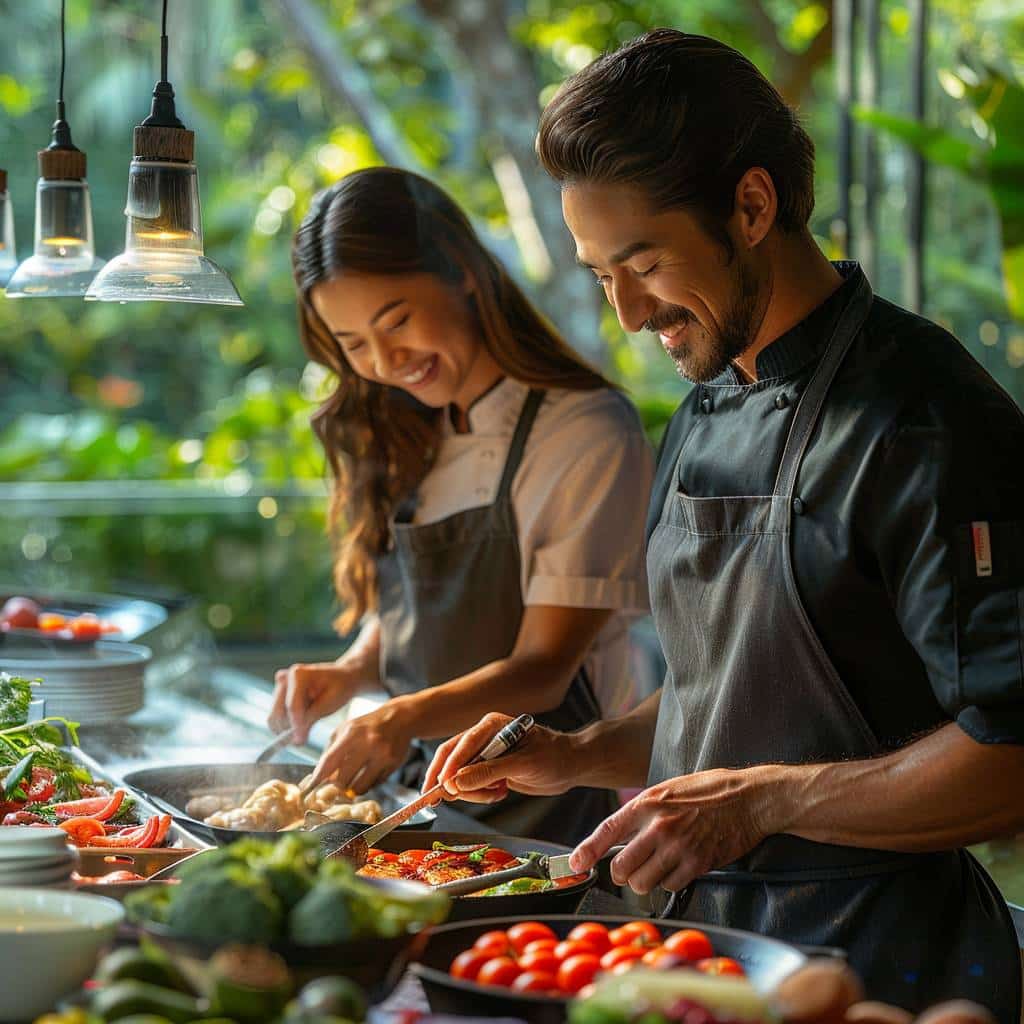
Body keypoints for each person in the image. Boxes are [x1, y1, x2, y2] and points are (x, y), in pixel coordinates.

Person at [424, 30, 1024, 1017]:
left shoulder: (924, 421)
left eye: (643, 261)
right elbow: (738, 699)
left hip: (880, 969)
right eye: (598, 273)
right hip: (703, 954)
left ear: (751, 206)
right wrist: (574, 753)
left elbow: (1009, 756)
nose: (624, 312)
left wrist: (767, 801)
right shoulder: (707, 397)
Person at [269, 166, 653, 845]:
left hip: (566, 814)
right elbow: (422, 609)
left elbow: (544, 669)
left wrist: (398, 717)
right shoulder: (419, 424)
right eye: (354, 345)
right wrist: (354, 671)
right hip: (438, 808)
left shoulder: (583, 431)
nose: (386, 361)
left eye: (398, 322)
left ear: (463, 274)